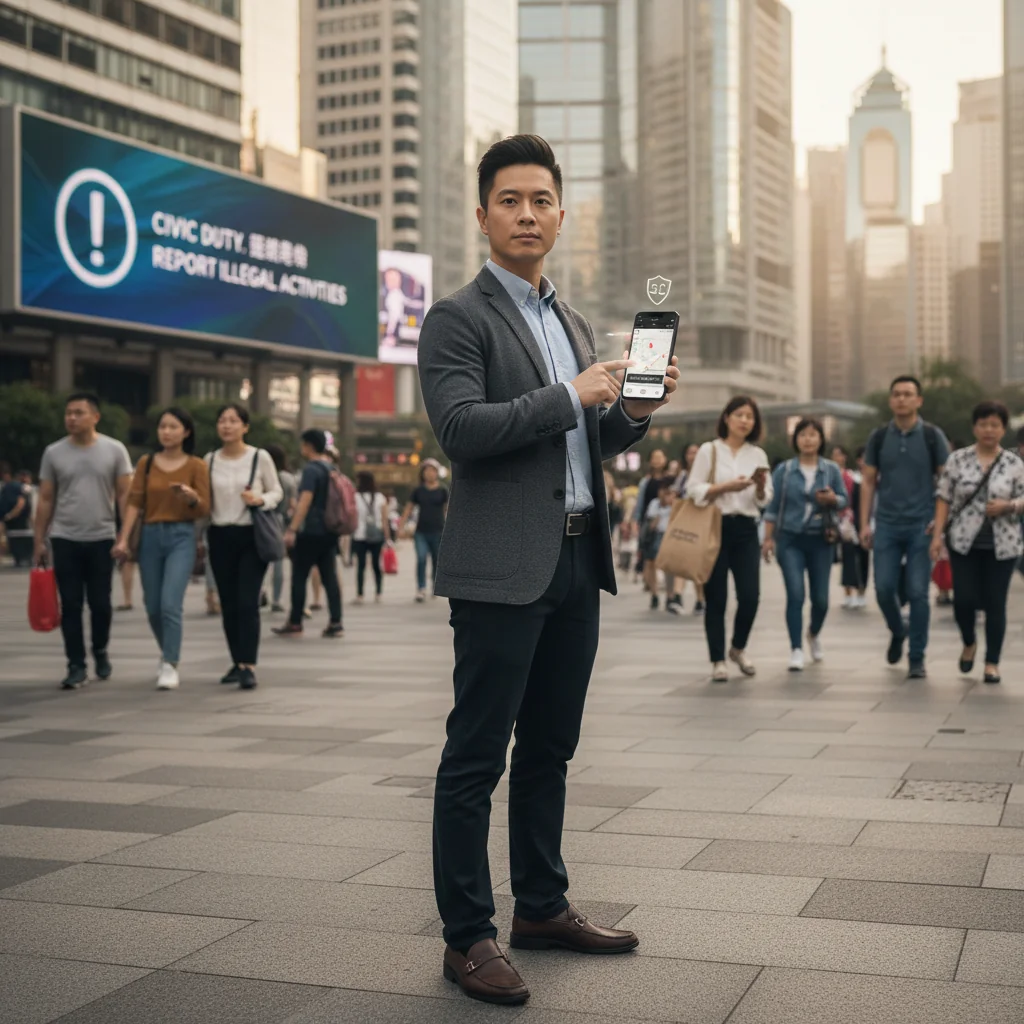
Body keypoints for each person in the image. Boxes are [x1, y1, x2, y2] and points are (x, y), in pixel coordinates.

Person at [417, 134, 679, 1005]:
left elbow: (586, 440)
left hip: (576, 559)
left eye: (542, 201)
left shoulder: (569, 322)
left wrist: (632, 409)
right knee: (475, 757)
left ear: (562, 214)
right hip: (499, 569)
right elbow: (461, 430)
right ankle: (468, 937)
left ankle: (541, 905)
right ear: (484, 213)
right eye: (510, 201)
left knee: (551, 752)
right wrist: (575, 392)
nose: (527, 215)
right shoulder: (457, 317)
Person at [34, 393, 133, 690]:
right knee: (71, 604)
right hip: (65, 538)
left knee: (101, 604)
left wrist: (124, 536)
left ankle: (100, 649)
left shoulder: (114, 450)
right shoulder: (53, 452)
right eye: (68, 413)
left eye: (78, 413)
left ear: (95, 416)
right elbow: (46, 498)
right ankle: (75, 664)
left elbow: (126, 496)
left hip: (102, 538)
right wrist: (40, 539)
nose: (71, 418)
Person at [112, 407, 210, 690]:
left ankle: (170, 662)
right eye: (162, 427)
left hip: (181, 535)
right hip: (151, 536)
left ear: (186, 432)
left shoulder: (196, 465)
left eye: (173, 427)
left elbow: (205, 507)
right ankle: (166, 651)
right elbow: (134, 502)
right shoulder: (147, 462)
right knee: (152, 606)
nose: (166, 432)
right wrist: (123, 538)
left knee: (170, 603)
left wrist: (191, 497)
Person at [860, 375, 950, 679]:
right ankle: (898, 631)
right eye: (896, 394)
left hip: (920, 527)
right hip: (885, 524)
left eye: (908, 394)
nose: (902, 399)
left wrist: (938, 529)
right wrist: (863, 523)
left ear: (918, 400)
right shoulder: (879, 437)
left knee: (918, 592)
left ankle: (916, 657)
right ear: (890, 400)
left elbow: (946, 484)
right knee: (884, 589)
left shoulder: (932, 436)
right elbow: (868, 482)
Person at [931, 401, 1024, 684]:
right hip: (963, 543)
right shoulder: (958, 460)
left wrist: (1009, 506)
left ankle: (992, 662)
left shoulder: (1014, 463)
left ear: (1003, 429)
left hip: (1003, 544)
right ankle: (969, 641)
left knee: (996, 603)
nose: (989, 430)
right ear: (974, 427)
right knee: (965, 600)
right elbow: (944, 498)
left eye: (995, 425)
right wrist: (937, 536)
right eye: (983, 424)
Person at [687, 396, 772, 682]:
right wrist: (726, 487)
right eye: (740, 415)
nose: (745, 421)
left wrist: (759, 488)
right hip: (714, 527)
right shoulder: (709, 451)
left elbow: (764, 500)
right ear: (726, 418)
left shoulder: (758, 455)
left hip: (747, 529)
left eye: (750, 417)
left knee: (750, 596)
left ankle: (738, 647)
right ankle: (718, 660)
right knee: (716, 598)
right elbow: (693, 490)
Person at [205, 403, 283, 690]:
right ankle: (237, 661)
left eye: (233, 421)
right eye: (222, 420)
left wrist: (261, 499)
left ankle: (248, 665)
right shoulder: (210, 459)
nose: (227, 425)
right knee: (228, 604)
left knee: (247, 602)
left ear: (245, 427)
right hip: (219, 535)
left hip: (251, 536)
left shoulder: (259, 457)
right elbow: (205, 498)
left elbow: (277, 490)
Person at [763, 420, 848, 671]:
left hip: (821, 539)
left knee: (821, 599)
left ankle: (813, 633)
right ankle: (796, 648)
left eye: (813, 435)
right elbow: (772, 506)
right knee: (796, 594)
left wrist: (833, 498)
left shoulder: (830, 470)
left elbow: (844, 500)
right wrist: (768, 539)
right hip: (790, 539)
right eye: (803, 435)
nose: (808, 440)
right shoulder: (785, 471)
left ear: (821, 439)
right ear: (796, 439)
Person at [273, 429, 343, 638]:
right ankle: (336, 622)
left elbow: (305, 500)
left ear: (309, 445)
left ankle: (295, 622)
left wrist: (292, 529)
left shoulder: (311, 470)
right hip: (330, 530)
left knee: (299, 576)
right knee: (329, 577)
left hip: (310, 531)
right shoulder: (331, 467)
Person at [399, 460, 449, 602]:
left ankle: (435, 585)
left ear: (437, 473)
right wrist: (401, 527)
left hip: (439, 530)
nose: (430, 473)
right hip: (421, 531)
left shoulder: (443, 490)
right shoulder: (418, 491)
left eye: (432, 470)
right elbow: (408, 509)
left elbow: (447, 510)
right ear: (423, 474)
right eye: (427, 471)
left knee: (436, 560)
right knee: (421, 558)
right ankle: (421, 588)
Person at [264, 443, 297, 613]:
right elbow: (293, 505)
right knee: (278, 563)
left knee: (259, 559)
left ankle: (261, 592)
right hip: (280, 522)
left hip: (262, 518)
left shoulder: (261, 474)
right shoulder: (288, 478)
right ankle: (276, 599)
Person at [674, 442, 706, 613]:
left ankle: (700, 599)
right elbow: (676, 496)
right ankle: (677, 596)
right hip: (684, 521)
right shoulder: (683, 475)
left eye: (696, 452)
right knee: (683, 559)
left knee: (696, 562)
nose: (693, 456)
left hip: (701, 522)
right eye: (690, 452)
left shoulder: (706, 474)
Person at [352, 470, 390, 603]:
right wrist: (388, 538)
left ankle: (360, 595)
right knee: (376, 565)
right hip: (377, 535)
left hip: (359, 535)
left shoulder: (355, 497)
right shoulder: (380, 497)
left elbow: (353, 517)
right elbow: (385, 520)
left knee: (360, 566)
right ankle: (378, 592)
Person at [641, 478, 677, 611]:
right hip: (656, 535)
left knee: (669, 567)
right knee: (651, 563)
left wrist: (671, 506)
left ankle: (670, 595)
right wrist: (661, 510)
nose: (666, 495)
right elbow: (651, 524)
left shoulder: (677, 505)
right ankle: (654, 594)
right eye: (664, 492)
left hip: (670, 536)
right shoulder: (654, 504)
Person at [0, 462, 33, 567]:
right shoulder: (9, 487)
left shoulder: (13, 487)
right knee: (14, 541)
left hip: (16, 522)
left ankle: (21, 559)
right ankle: (20, 559)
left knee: (17, 542)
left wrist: (10, 515)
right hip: (13, 522)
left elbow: (21, 503)